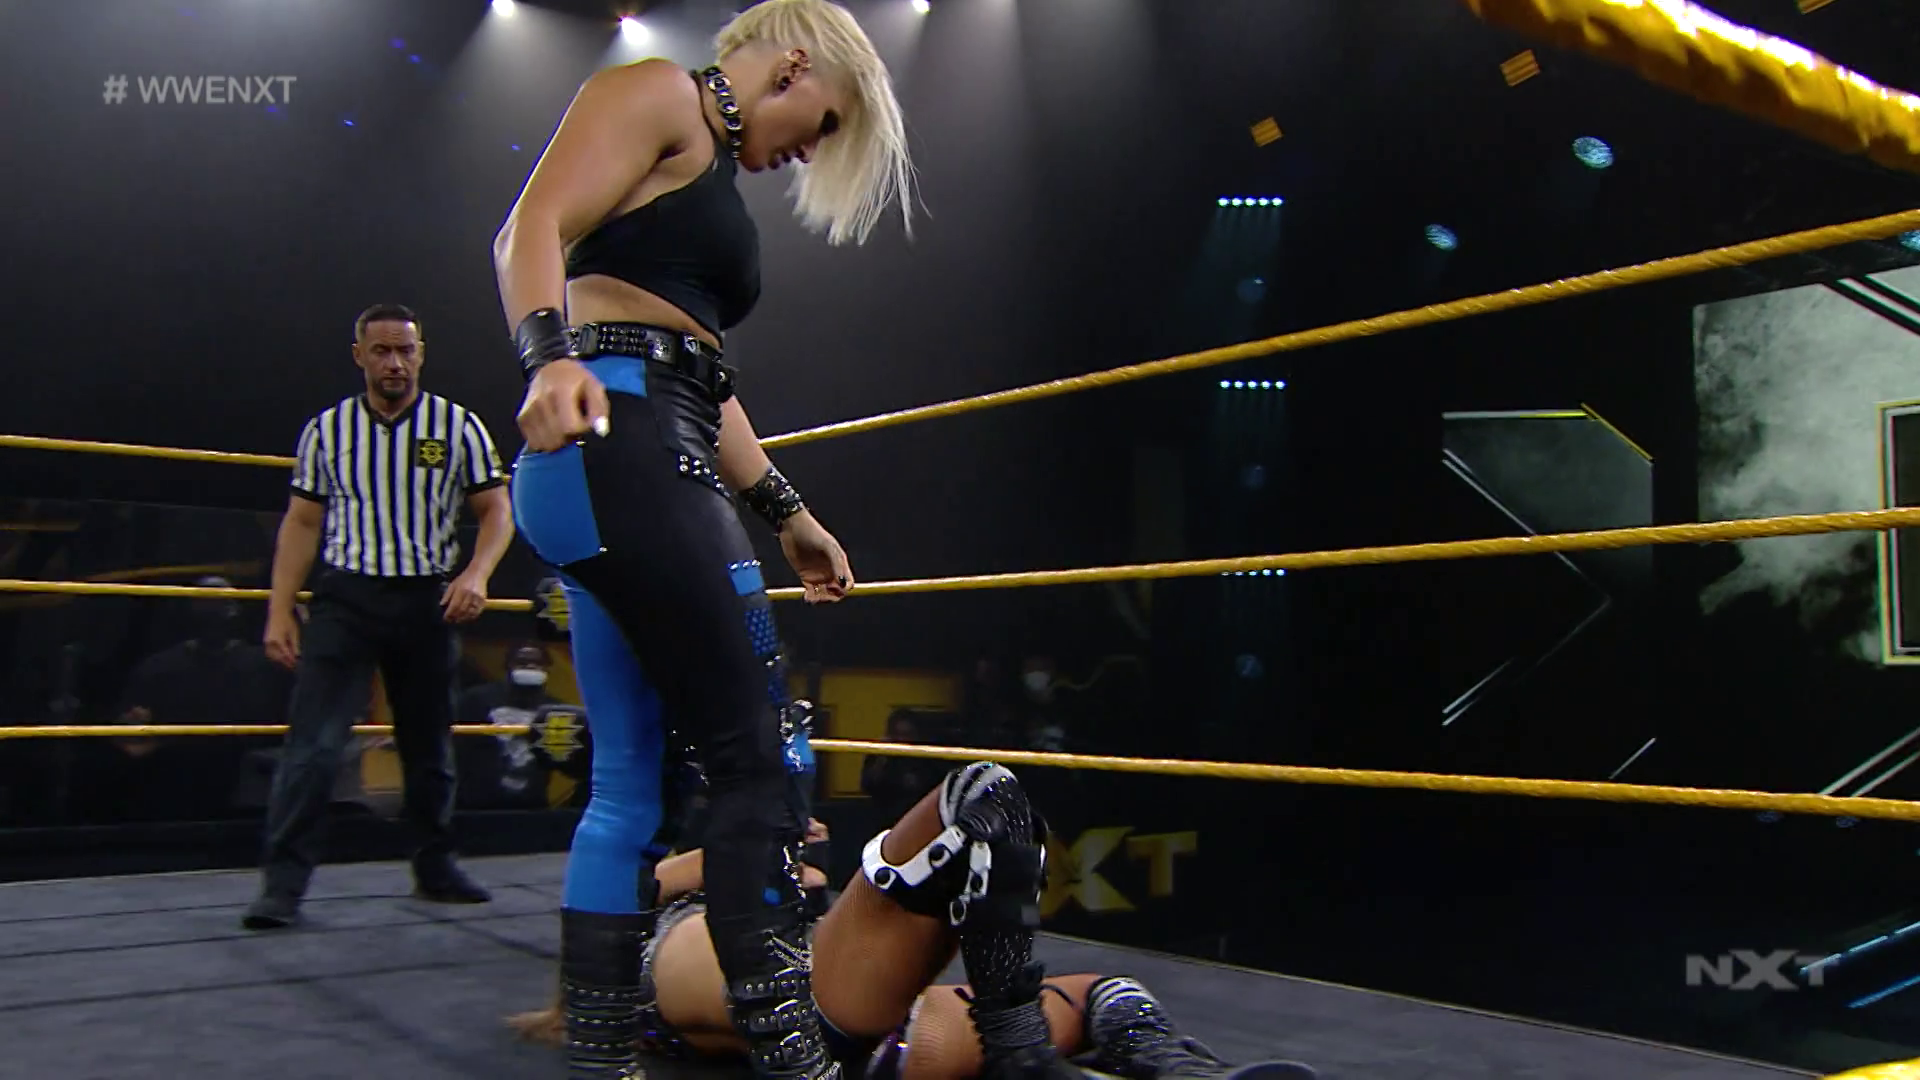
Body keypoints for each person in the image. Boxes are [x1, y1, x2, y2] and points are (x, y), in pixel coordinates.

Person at [493, 0, 914, 1075]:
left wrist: (788, 513)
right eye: (826, 124)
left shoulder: (703, 165)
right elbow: (527, 229)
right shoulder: (660, 93)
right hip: (621, 442)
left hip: (633, 447)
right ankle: (792, 1057)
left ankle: (599, 1054)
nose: (810, 150)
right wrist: (547, 360)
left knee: (630, 784)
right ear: (796, 64)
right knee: (759, 757)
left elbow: (696, 368)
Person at [508, 762, 1320, 1080]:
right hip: (774, 996)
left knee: (1102, 993)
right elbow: (638, 887)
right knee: (985, 797)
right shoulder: (667, 903)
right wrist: (765, 854)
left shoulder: (774, 899)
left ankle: (1189, 1075)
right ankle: (1021, 1060)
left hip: (861, 1033)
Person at [242, 303, 517, 930]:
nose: (395, 362)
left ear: (421, 354)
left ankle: (435, 866)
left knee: (429, 747)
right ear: (360, 356)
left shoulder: (457, 425)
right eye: (382, 351)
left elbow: (496, 509)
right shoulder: (327, 430)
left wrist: (476, 574)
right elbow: (302, 523)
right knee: (313, 746)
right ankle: (282, 885)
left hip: (425, 599)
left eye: (405, 350)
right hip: (347, 598)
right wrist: (279, 609)